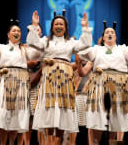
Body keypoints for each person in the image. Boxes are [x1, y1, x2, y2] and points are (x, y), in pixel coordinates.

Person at [27, 10, 92, 145]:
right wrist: (34, 24)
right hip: (49, 79)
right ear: (52, 27)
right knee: (50, 111)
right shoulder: (46, 41)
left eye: (61, 24)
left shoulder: (70, 42)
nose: (58, 26)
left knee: (62, 111)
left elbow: (85, 44)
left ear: (65, 27)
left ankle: (57, 142)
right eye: (56, 24)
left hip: (64, 80)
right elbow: (32, 42)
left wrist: (85, 28)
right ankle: (50, 141)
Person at [78, 21, 128, 145]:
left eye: (112, 32)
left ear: (115, 37)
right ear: (103, 37)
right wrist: (85, 30)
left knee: (117, 122)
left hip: (119, 86)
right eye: (107, 32)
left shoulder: (122, 49)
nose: (109, 34)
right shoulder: (97, 49)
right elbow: (85, 53)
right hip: (100, 85)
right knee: (98, 120)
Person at [0, 20, 40, 145]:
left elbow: (36, 54)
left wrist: (35, 27)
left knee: (17, 113)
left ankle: (13, 141)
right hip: (5, 81)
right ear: (8, 34)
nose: (17, 32)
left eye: (19, 31)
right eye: (14, 30)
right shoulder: (1, 48)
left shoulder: (25, 50)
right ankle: (3, 142)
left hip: (21, 83)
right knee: (3, 112)